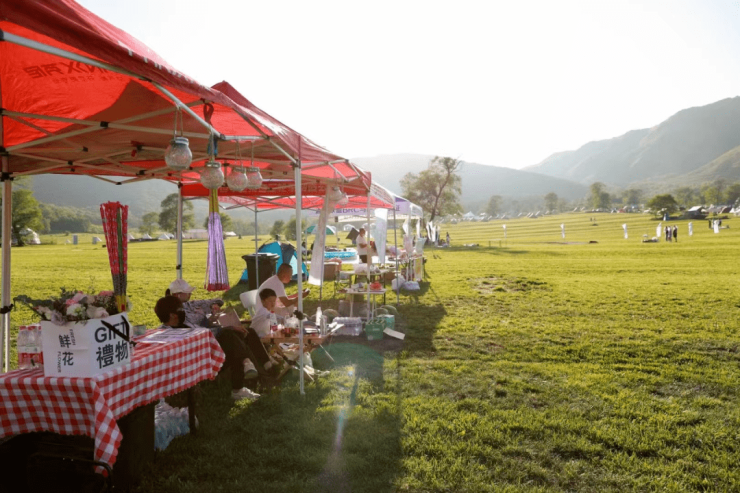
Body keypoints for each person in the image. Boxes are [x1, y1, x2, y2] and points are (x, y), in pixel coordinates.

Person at [154, 294, 259, 401]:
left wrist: (225, 324)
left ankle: (254, 368)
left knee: (238, 336)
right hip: (200, 365)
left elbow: (206, 333)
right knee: (231, 338)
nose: (184, 311)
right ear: (172, 315)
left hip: (208, 354)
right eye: (181, 310)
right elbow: (205, 335)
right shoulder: (167, 333)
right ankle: (243, 376)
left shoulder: (183, 322)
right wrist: (228, 328)